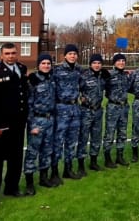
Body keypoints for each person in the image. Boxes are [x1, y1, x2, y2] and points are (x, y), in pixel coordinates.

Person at [0, 42, 28, 208]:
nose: (10, 56)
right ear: (1, 55)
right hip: (2, 125)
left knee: (16, 158)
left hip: (18, 122)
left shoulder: (21, 69)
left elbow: (23, 93)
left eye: (13, 53)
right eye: (7, 53)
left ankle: (11, 187)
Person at [23, 54, 56, 195]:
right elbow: (28, 105)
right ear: (38, 65)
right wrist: (32, 125)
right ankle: (29, 183)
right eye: (43, 63)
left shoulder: (52, 79)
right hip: (37, 121)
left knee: (47, 151)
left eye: (48, 63)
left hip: (50, 120)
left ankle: (44, 177)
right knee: (32, 152)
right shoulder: (33, 81)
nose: (46, 65)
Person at [51, 44, 82, 184]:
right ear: (64, 56)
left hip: (75, 108)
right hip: (61, 108)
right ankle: (54, 172)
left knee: (71, 142)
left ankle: (68, 169)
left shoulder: (79, 70)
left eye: (75, 54)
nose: (73, 56)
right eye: (70, 53)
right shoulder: (56, 71)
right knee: (58, 142)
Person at [77, 53, 109, 176]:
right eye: (94, 63)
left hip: (98, 111)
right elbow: (76, 89)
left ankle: (94, 162)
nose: (97, 65)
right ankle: (81, 165)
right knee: (83, 138)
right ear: (90, 64)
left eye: (99, 63)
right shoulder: (84, 76)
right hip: (86, 111)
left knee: (96, 138)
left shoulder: (102, 77)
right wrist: (82, 98)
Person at [103, 53, 131, 168]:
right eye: (118, 61)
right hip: (113, 107)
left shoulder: (126, 75)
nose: (121, 63)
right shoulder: (109, 75)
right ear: (114, 63)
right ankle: (107, 158)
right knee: (110, 133)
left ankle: (120, 156)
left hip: (124, 107)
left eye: (123, 61)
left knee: (122, 133)